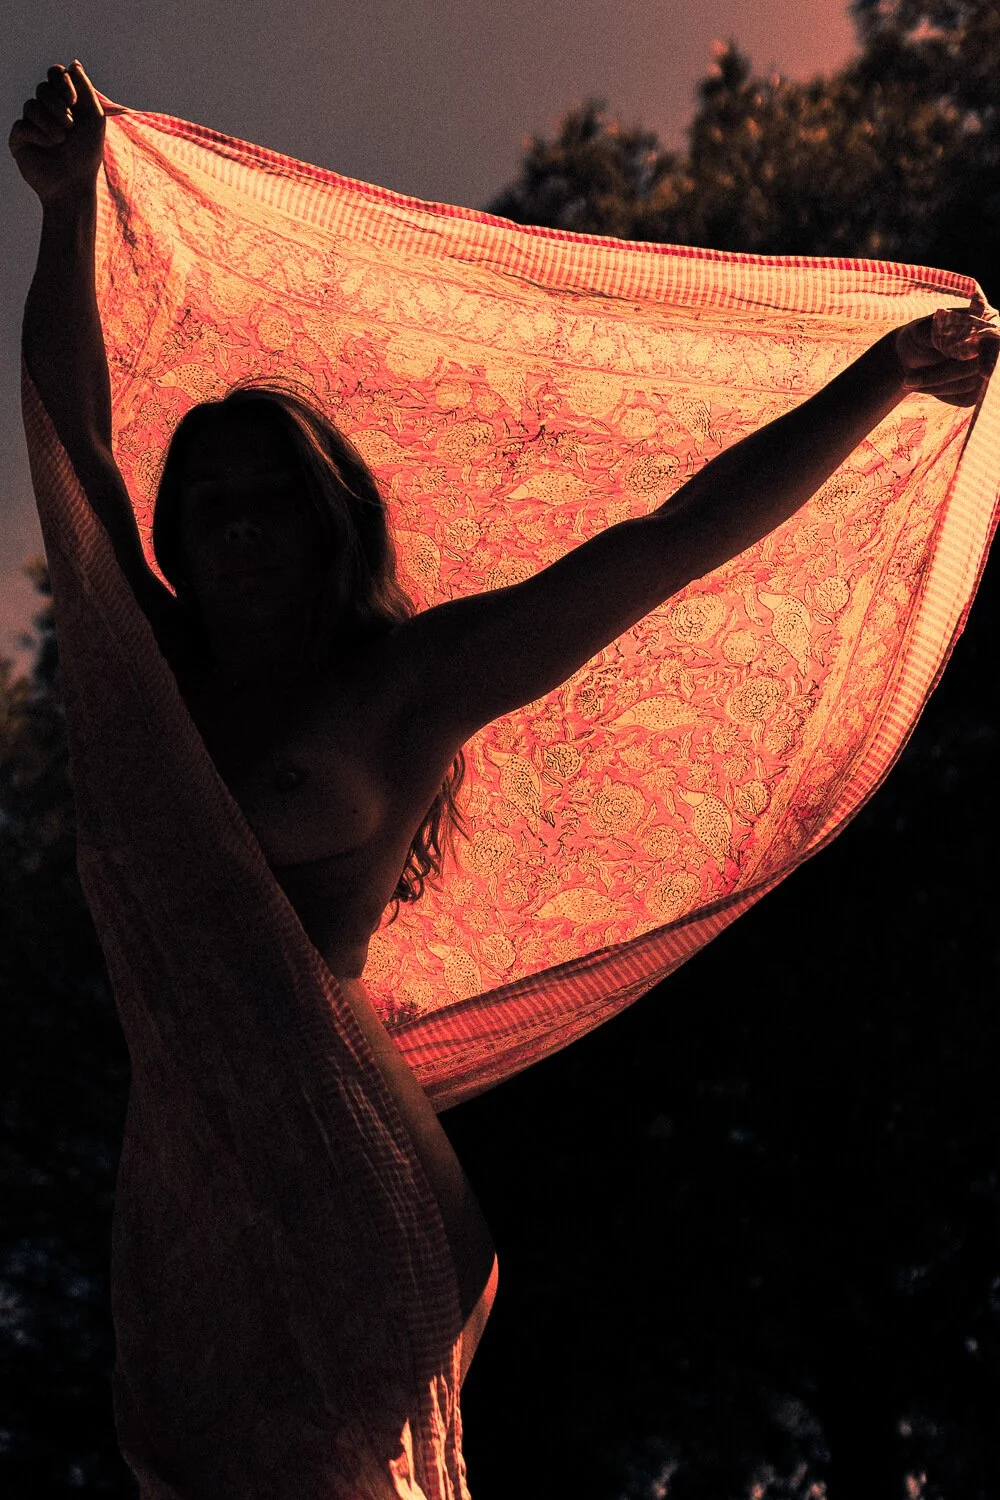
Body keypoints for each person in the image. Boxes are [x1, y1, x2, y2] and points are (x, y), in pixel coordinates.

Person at [10, 59, 997, 1419]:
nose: (237, 525)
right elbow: (72, 435)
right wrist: (68, 208)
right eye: (209, 501)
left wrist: (883, 376)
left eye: (272, 499)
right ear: (173, 534)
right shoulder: (145, 672)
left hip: (350, 1170)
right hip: (184, 1188)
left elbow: (670, 542)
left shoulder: (405, 686)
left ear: (330, 523)